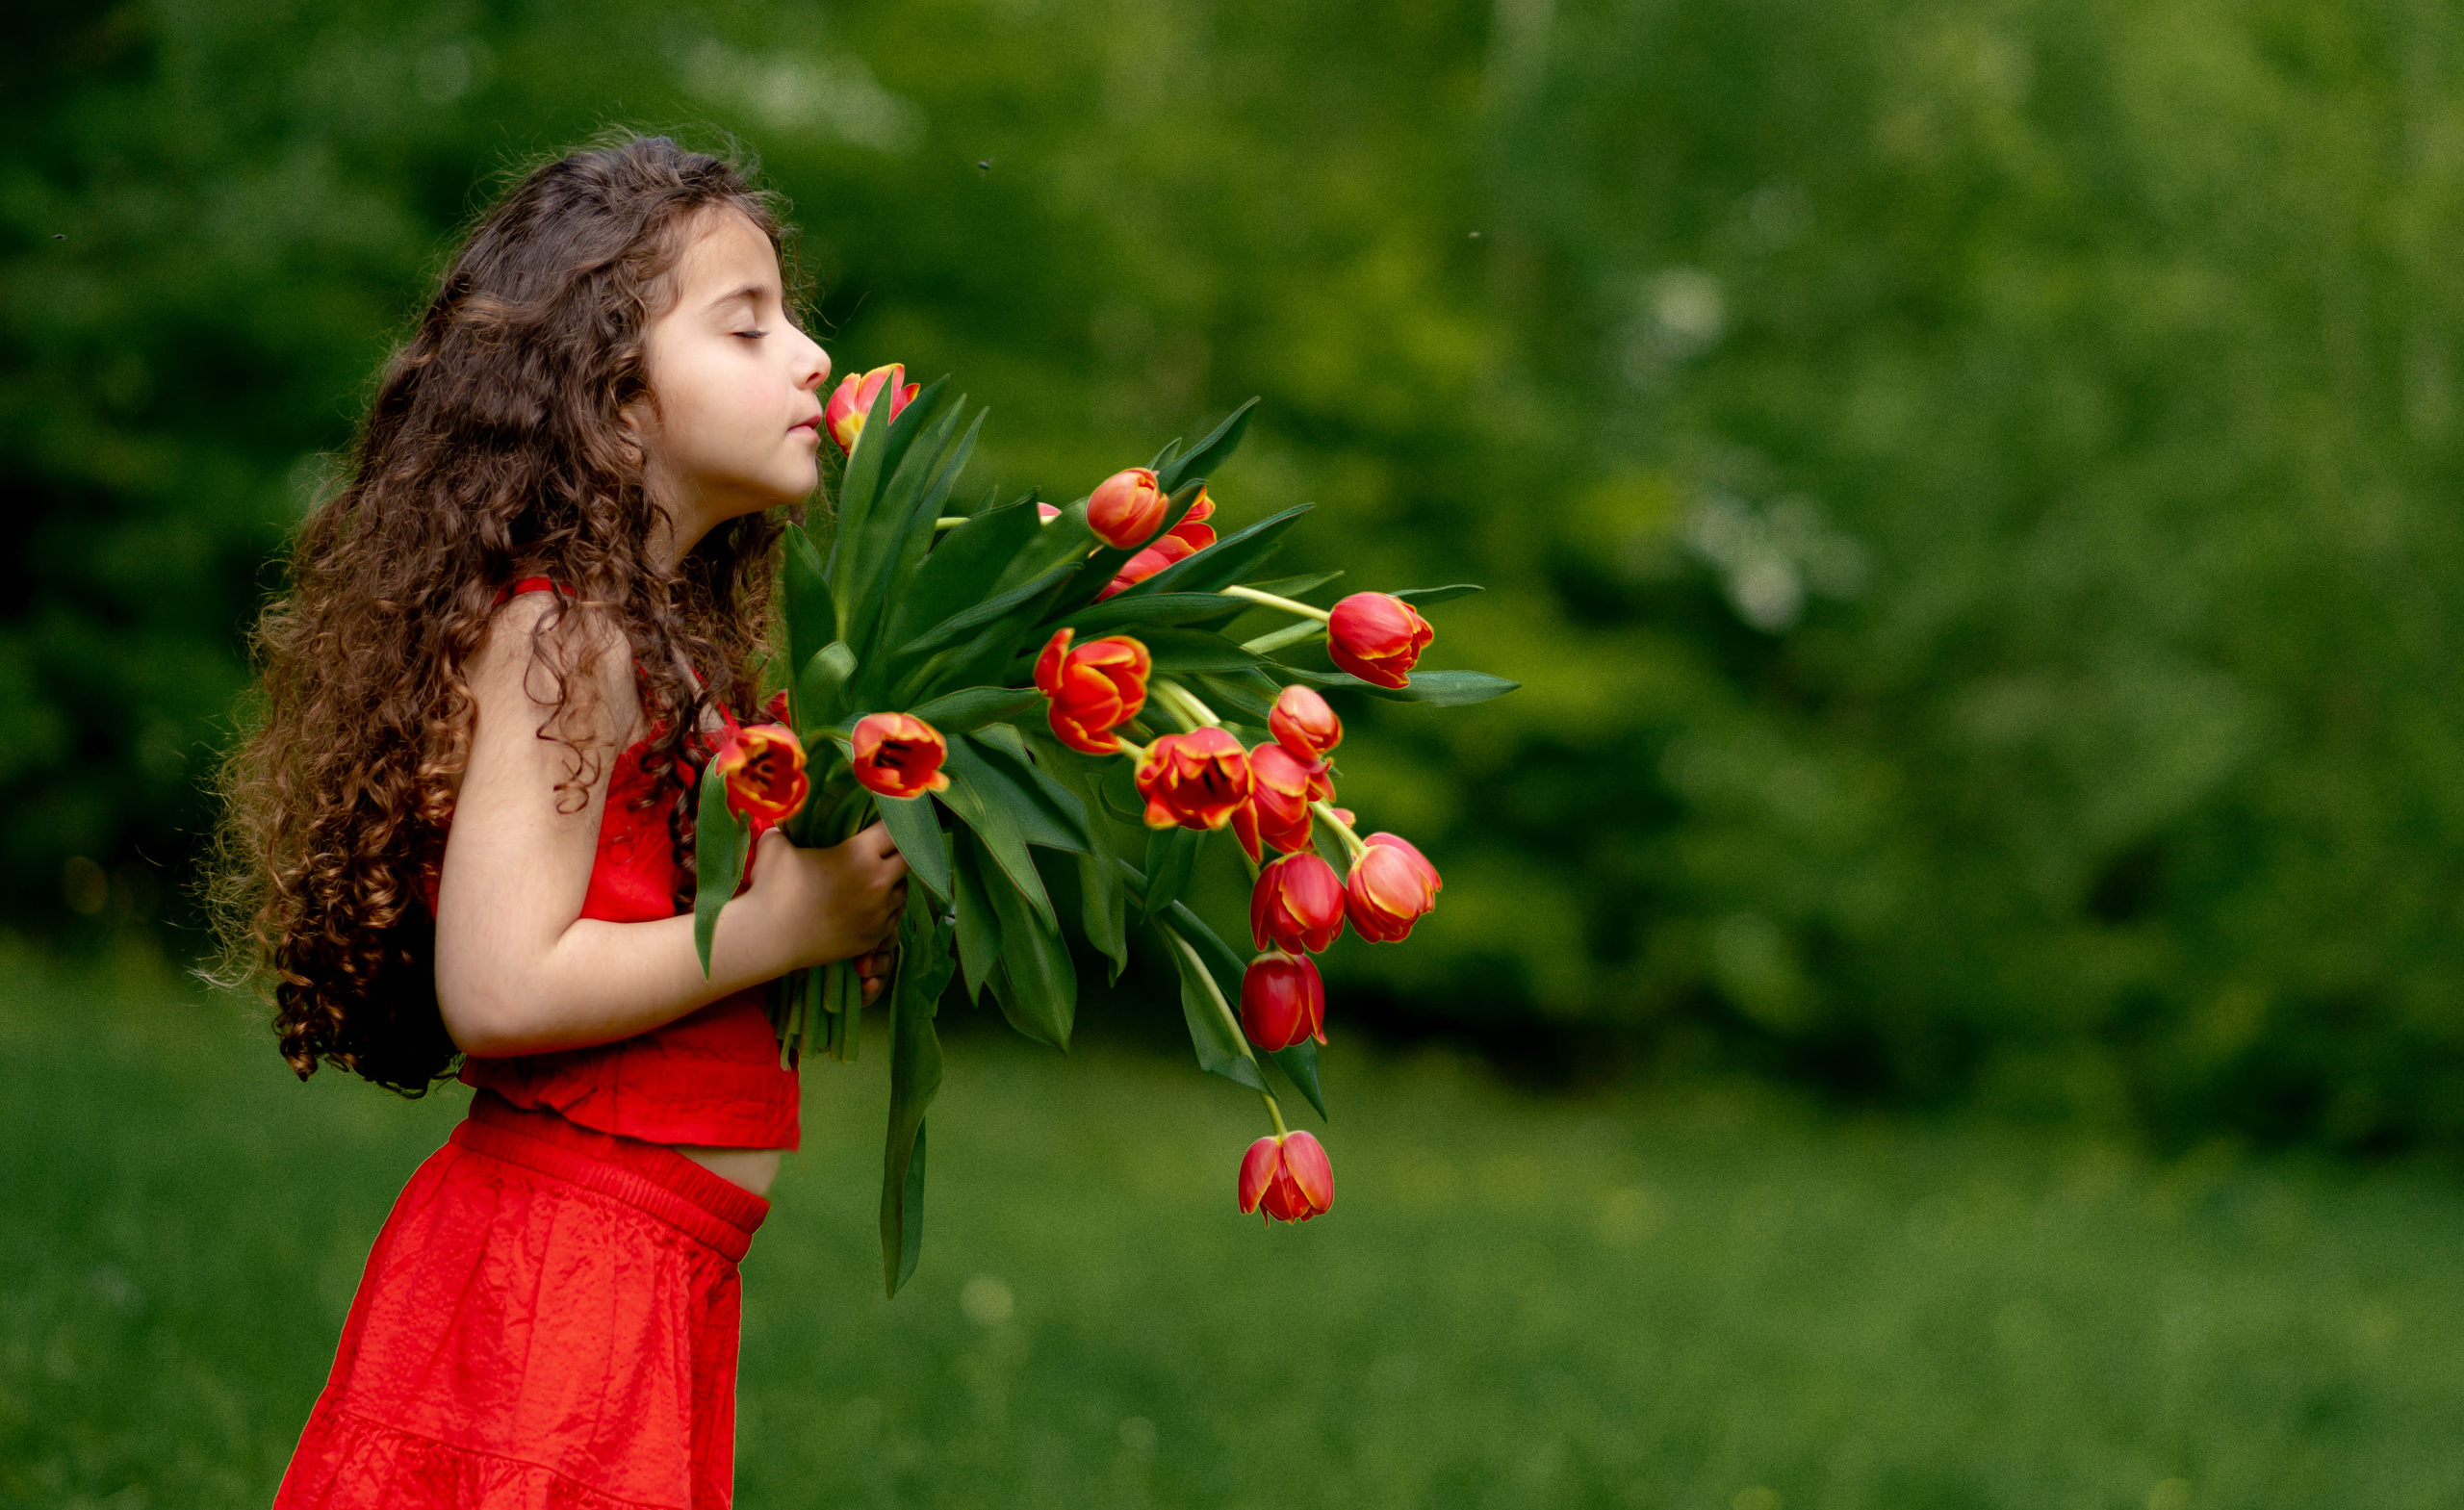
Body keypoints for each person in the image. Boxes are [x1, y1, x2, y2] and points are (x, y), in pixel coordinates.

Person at [209, 134, 909, 1509]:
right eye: (748, 324)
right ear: (615, 400)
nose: (814, 355)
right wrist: (778, 922)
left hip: (641, 1267)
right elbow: (502, 982)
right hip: (557, 1281)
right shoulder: (566, 636)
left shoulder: (676, 646)